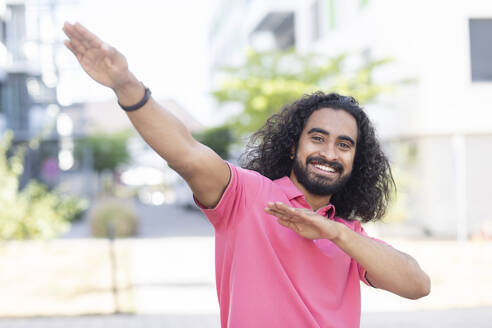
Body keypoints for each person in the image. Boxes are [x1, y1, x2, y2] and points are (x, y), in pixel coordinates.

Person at [63, 22, 430, 328]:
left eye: (344, 145)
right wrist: (126, 85)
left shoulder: (350, 237)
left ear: (356, 160)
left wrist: (334, 232)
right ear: (293, 146)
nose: (329, 153)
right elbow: (186, 153)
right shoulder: (247, 195)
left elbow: (417, 285)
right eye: (318, 138)